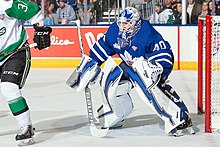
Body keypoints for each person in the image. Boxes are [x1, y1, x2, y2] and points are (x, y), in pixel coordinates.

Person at [70, 7, 194, 135]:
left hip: (153, 67)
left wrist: (157, 70)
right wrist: (87, 69)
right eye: (121, 23)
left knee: (146, 79)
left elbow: (164, 54)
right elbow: (102, 48)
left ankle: (180, 117)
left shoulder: (146, 34)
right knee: (110, 79)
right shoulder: (114, 31)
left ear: (136, 23)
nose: (123, 26)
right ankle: (116, 115)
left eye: (127, 23)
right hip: (130, 66)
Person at [1, 0, 52, 145]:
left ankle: (26, 127)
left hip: (15, 52)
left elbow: (34, 11)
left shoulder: (7, 4)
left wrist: (40, 29)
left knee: (8, 87)